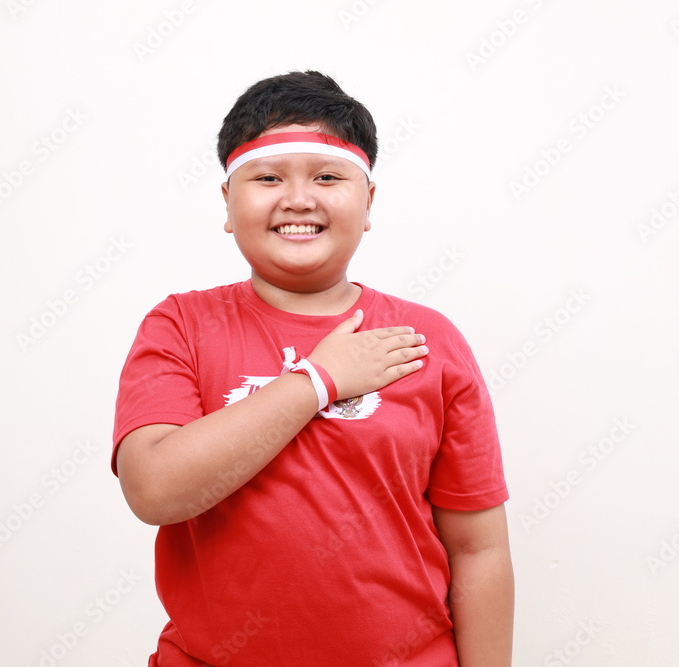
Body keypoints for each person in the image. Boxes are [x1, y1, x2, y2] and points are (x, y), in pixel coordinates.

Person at [112, 70, 513, 666]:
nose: (298, 199)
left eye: (327, 177)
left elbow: (479, 550)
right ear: (228, 203)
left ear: (368, 202)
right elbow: (154, 490)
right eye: (267, 177)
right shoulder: (180, 326)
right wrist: (318, 381)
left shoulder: (425, 341)